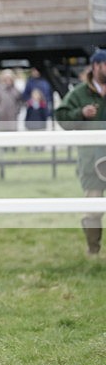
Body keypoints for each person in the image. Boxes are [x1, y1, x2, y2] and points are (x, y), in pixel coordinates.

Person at [55, 49, 106, 257]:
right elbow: (62, 117)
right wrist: (81, 114)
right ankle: (93, 250)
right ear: (96, 66)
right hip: (90, 160)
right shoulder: (79, 93)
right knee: (93, 206)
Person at [23, 67, 52, 132]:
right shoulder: (29, 82)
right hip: (31, 122)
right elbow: (25, 95)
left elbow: (48, 96)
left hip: (41, 122)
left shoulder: (44, 83)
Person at [0, 69, 22, 133]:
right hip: (2, 117)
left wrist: (16, 111)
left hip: (12, 117)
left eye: (9, 78)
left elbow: (19, 103)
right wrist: (0, 110)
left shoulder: (16, 90)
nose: (8, 80)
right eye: (6, 78)